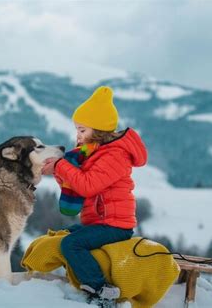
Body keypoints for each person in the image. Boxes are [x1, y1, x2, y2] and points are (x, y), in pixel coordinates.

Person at [42, 86, 148, 303]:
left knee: (71, 244)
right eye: (77, 130)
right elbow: (75, 182)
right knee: (66, 233)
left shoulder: (115, 155)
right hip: (99, 222)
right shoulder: (95, 152)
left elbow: (88, 186)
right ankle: (68, 280)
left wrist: (61, 166)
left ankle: (101, 290)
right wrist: (58, 171)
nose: (77, 136)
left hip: (115, 225)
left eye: (82, 130)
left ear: (99, 130)